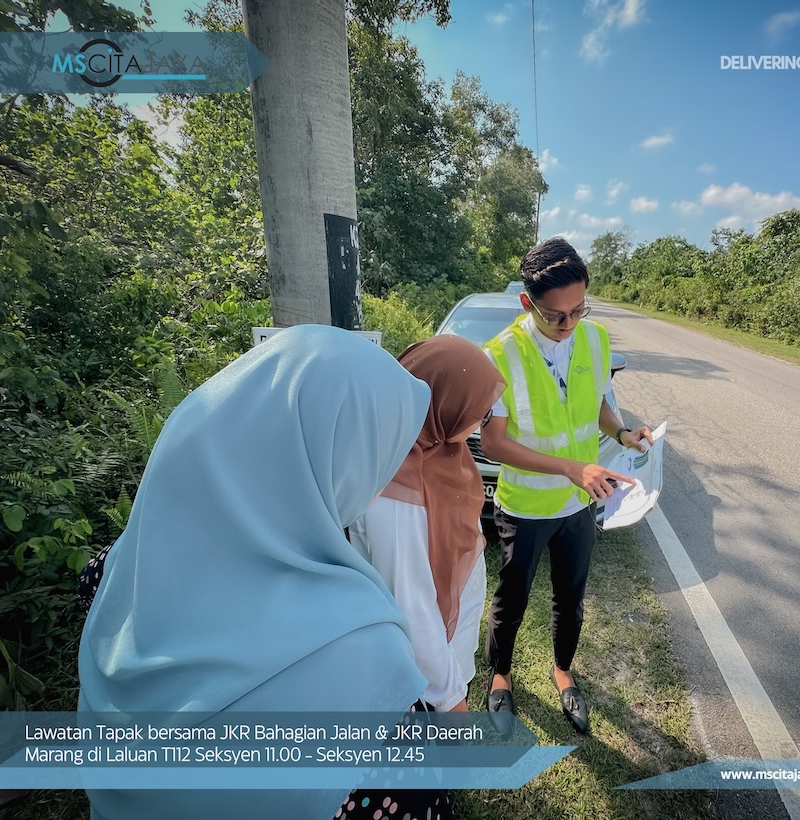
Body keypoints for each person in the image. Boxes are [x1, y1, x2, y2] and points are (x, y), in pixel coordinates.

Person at [78, 325, 442, 820]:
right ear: (336, 462)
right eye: (381, 456)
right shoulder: (367, 663)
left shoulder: (120, 565)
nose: (385, 476)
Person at [481, 237, 653, 733]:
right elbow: (493, 443)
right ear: (526, 303)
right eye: (556, 315)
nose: (569, 323)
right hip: (525, 508)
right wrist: (571, 468)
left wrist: (622, 433)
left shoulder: (595, 339)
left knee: (571, 598)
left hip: (579, 505)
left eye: (579, 309)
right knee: (512, 599)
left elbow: (597, 403)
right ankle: (501, 675)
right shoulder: (499, 355)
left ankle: (562, 671)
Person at [348, 335, 506, 712]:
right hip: (421, 681)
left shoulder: (440, 452)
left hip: (449, 656)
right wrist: (451, 700)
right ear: (441, 403)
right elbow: (413, 610)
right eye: (477, 412)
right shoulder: (396, 492)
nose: (478, 423)